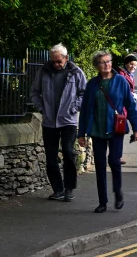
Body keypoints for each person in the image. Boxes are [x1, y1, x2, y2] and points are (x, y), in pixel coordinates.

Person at [78, 51, 137, 213]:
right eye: (102, 62)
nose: (107, 64)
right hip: (97, 130)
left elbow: (130, 105)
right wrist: (81, 134)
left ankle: (118, 192)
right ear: (96, 66)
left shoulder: (121, 81)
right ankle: (102, 201)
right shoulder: (92, 84)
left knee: (114, 161)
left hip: (116, 128)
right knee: (100, 165)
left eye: (108, 61)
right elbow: (85, 110)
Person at [30, 44, 87, 202]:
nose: (56, 64)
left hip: (68, 120)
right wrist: (41, 108)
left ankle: (69, 189)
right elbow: (34, 92)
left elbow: (85, 93)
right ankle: (58, 189)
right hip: (49, 121)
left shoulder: (76, 72)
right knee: (51, 157)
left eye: (59, 61)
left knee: (68, 152)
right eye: (53, 61)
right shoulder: (43, 71)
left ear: (66, 58)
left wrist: (74, 107)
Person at [117, 54, 137, 166]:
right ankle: (116, 156)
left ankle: (117, 156)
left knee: (120, 132)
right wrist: (131, 95)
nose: (133, 66)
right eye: (131, 64)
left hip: (124, 108)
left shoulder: (128, 74)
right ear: (126, 64)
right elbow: (120, 91)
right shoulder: (121, 75)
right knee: (119, 132)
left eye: (135, 65)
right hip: (120, 109)